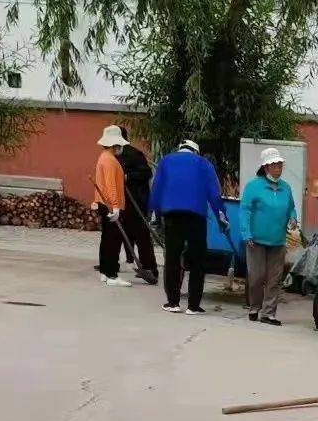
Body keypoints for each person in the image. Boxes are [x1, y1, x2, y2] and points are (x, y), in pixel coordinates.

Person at [149, 139, 228, 316]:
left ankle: (173, 302)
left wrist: (155, 213)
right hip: (196, 215)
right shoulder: (204, 163)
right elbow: (214, 193)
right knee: (198, 259)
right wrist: (222, 217)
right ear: (196, 151)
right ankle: (193, 305)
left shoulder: (166, 161)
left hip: (172, 215)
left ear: (180, 149)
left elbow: (157, 188)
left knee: (172, 257)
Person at [240, 148, 297, 326]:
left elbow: (291, 208)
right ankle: (254, 307)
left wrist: (293, 218)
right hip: (255, 240)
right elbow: (245, 211)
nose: (278, 168)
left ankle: (268, 313)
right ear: (265, 167)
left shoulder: (286, 188)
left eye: (280, 164)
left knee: (275, 278)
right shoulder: (253, 186)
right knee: (256, 276)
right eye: (274, 165)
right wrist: (246, 232)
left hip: (278, 240)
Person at [117, 126, 158, 284]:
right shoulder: (115, 155)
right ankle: (124, 262)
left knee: (142, 237)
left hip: (137, 202)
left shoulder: (134, 154)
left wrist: (128, 176)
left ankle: (150, 268)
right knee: (124, 234)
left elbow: (146, 173)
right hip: (123, 202)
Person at [92, 124, 132, 287]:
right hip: (110, 205)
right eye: (120, 144)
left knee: (107, 239)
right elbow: (111, 185)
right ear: (115, 144)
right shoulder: (109, 160)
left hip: (104, 203)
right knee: (113, 241)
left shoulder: (104, 157)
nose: (121, 147)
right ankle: (112, 274)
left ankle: (104, 271)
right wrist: (115, 206)